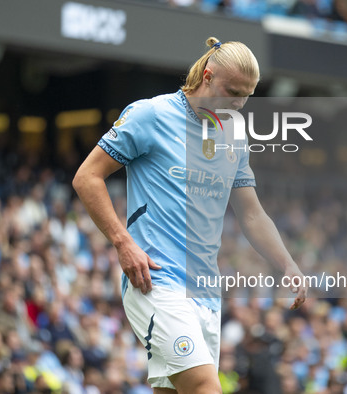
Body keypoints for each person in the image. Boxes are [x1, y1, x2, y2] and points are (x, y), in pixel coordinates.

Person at [73, 36, 307, 394]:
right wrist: (123, 242)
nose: (239, 103)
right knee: (205, 388)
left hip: (206, 293)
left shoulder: (235, 135)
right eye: (232, 91)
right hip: (157, 281)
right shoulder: (150, 115)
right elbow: (87, 177)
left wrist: (287, 263)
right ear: (208, 76)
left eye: (247, 95)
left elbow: (252, 214)